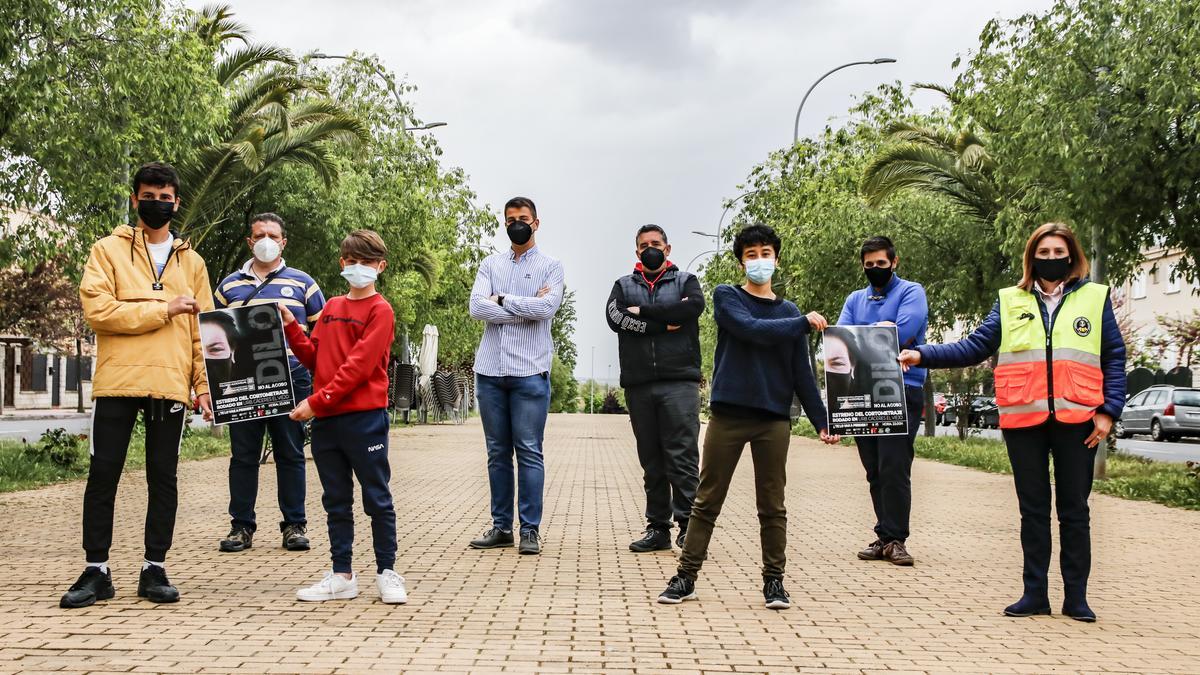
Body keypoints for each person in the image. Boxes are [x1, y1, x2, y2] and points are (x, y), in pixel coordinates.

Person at [899, 222, 1126, 622]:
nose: (1052, 259)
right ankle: (1034, 593)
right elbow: (974, 346)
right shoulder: (1010, 300)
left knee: (1074, 510)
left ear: (1072, 256)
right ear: (1031, 257)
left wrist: (1108, 411)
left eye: (1059, 253)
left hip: (1079, 419)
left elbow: (1113, 357)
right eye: (1044, 253)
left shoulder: (1095, 298)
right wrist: (922, 355)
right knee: (1033, 510)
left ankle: (1077, 599)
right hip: (1025, 420)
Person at [658, 224, 840, 611]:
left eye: (766, 253)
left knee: (772, 505)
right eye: (752, 254)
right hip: (729, 415)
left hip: (773, 420)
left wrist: (824, 421)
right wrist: (802, 323)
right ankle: (686, 576)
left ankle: (774, 582)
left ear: (777, 257)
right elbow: (751, 329)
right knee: (707, 500)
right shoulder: (727, 297)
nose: (760, 260)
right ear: (742, 261)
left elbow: (802, 374)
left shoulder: (790, 313)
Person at [63, 161, 214, 609]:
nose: (157, 203)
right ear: (135, 198)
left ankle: (154, 568)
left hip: (169, 384)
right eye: (149, 195)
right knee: (102, 475)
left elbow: (204, 332)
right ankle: (96, 571)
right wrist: (163, 309)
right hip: (117, 382)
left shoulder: (194, 262)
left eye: (165, 197)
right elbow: (100, 312)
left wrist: (204, 385)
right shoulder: (106, 250)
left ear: (176, 202)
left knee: (162, 478)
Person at [283, 230, 406, 604]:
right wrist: (290, 326)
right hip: (327, 423)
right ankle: (342, 575)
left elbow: (358, 367)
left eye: (367, 261)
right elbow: (315, 358)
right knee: (335, 500)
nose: (359, 267)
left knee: (376, 497)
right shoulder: (332, 307)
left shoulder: (380, 310)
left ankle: (388, 572)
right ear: (342, 263)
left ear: (380, 266)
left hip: (364, 418)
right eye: (352, 260)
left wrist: (316, 402)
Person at [212, 213, 325, 554]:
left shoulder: (304, 283)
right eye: (259, 234)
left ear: (283, 242)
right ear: (250, 241)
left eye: (272, 235)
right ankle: (240, 527)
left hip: (291, 376)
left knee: (290, 453)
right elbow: (215, 337)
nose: (265, 240)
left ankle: (294, 525)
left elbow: (320, 336)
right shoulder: (228, 286)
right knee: (243, 455)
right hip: (242, 379)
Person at [467, 196, 565, 555]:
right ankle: (500, 527)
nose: (517, 224)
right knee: (496, 453)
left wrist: (503, 299)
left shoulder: (552, 267)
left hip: (529, 373)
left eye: (523, 218)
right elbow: (477, 307)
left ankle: (530, 530)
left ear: (536, 223)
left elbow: (547, 307)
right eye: (510, 219)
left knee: (528, 452)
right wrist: (524, 307)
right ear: (504, 223)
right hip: (490, 371)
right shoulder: (490, 264)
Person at [606, 224, 703, 552]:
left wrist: (643, 312)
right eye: (645, 245)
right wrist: (661, 325)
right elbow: (616, 319)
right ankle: (658, 528)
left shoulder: (686, 281)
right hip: (639, 384)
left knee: (683, 456)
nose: (651, 248)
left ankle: (689, 525)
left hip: (680, 381)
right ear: (637, 252)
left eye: (656, 244)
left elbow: (691, 309)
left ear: (668, 248)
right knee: (652, 459)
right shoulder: (622, 285)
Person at [835, 235, 928, 566]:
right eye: (869, 264)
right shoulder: (855, 299)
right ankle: (884, 535)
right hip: (863, 389)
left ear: (894, 262)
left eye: (881, 263)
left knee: (894, 465)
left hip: (901, 389)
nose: (875, 269)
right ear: (863, 265)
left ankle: (896, 539)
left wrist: (875, 333)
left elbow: (904, 333)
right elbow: (841, 339)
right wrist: (881, 329)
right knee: (873, 467)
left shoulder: (911, 292)